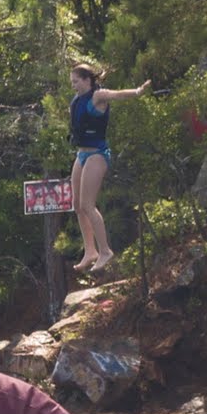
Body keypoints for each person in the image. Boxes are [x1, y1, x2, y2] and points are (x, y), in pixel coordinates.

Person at [67, 63, 151, 276]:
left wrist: (138, 91)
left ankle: (105, 251)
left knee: (87, 204)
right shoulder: (77, 99)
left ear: (87, 80)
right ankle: (90, 251)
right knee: (77, 205)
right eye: (72, 82)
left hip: (97, 153)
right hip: (81, 154)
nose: (73, 85)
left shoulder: (98, 96)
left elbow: (118, 94)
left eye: (76, 81)